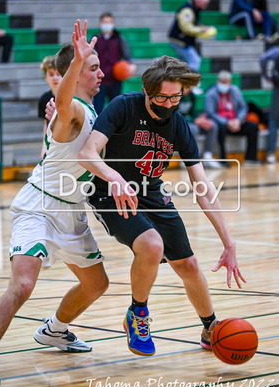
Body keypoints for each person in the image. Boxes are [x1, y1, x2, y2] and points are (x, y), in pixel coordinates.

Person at [78, 55, 246, 358]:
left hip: (152, 193)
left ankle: (210, 328)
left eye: (175, 97)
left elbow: (203, 188)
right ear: (146, 90)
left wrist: (229, 242)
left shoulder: (179, 126)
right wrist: (114, 177)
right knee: (152, 245)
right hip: (108, 191)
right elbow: (87, 153)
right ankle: (137, 314)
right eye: (162, 97)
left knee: (189, 265)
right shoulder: (123, 107)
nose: (168, 104)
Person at [0, 20, 109, 387]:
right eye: (93, 67)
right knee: (23, 285)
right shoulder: (70, 108)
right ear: (74, 71)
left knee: (97, 284)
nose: (101, 72)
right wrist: (75, 63)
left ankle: (55, 330)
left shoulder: (97, 114)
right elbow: (62, 101)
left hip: (72, 213)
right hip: (40, 206)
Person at [205, 70, 261, 166]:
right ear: (218, 81)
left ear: (230, 82)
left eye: (226, 83)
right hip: (223, 123)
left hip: (235, 122)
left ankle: (250, 158)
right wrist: (227, 122)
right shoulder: (211, 94)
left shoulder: (235, 90)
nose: (224, 85)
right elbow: (210, 113)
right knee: (219, 129)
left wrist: (238, 120)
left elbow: (243, 107)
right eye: (222, 82)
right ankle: (223, 160)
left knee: (253, 127)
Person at [93, 12, 136, 114]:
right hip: (99, 81)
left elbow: (128, 57)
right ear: (100, 23)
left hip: (116, 79)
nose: (107, 24)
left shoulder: (119, 39)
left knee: (116, 110)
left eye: (109, 22)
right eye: (105, 22)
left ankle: (115, 130)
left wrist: (132, 66)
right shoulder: (95, 39)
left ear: (113, 24)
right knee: (97, 109)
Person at [260, 36, 279, 165]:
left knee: (273, 121)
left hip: (278, 89)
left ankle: (271, 153)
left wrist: (267, 76)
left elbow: (263, 59)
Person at [168, 0, 217, 72]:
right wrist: (201, 30)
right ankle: (190, 82)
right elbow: (186, 28)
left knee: (180, 63)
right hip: (180, 41)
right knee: (195, 60)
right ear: (198, 1)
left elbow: (193, 24)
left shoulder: (193, 9)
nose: (204, 7)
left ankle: (177, 78)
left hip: (183, 40)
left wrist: (202, 27)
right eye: (204, 4)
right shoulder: (187, 10)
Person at [179, 87, 221, 168]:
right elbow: (176, 115)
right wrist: (194, 120)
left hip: (191, 122)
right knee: (193, 129)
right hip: (180, 124)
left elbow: (194, 113)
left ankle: (208, 155)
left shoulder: (192, 96)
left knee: (212, 126)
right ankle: (187, 157)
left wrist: (200, 119)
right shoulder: (176, 96)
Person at [38, 55, 62, 158]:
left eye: (58, 74)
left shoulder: (72, 96)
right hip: (53, 143)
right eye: (51, 74)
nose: (55, 78)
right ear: (45, 77)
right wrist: (44, 148)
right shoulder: (44, 99)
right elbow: (46, 125)